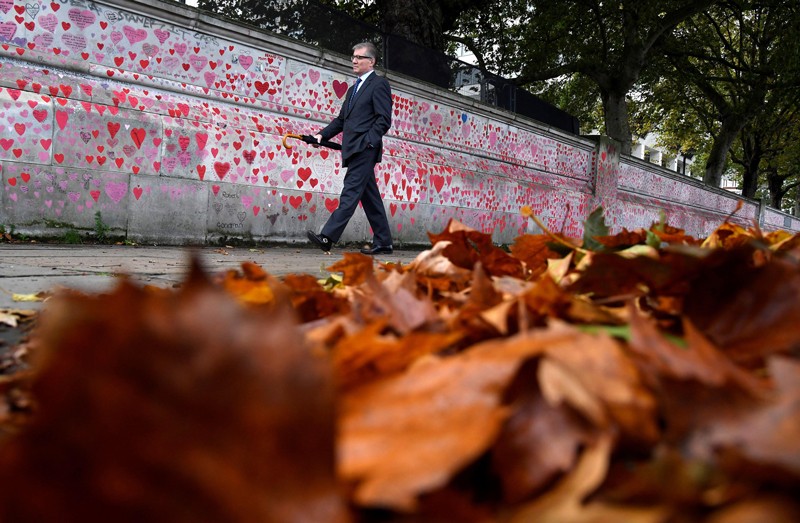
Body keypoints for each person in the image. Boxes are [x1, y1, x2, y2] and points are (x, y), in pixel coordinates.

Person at [306, 42, 394, 255]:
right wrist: (321, 135)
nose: (354, 60)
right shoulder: (353, 89)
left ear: (371, 61)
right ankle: (384, 242)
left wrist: (369, 142)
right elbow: (341, 120)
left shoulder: (379, 84)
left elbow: (384, 119)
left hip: (365, 150)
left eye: (359, 57)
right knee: (369, 197)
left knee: (350, 192)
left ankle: (327, 236)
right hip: (354, 149)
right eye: (352, 56)